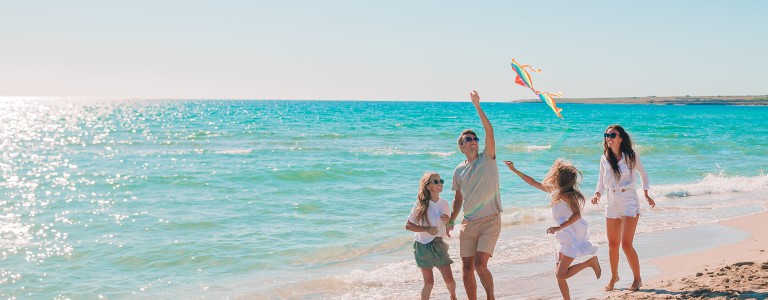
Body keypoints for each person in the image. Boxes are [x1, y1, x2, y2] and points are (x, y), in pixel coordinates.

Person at [504, 159, 601, 300]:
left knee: (560, 274)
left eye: (556, 176)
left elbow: (577, 215)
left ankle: (590, 262)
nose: (553, 177)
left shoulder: (568, 195)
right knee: (560, 275)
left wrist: (559, 227)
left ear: (561, 179)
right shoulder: (554, 191)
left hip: (570, 236)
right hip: (562, 235)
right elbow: (532, 182)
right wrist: (514, 170)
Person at [447, 90, 502, 300]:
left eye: (474, 139)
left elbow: (490, 133)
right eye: (468, 139)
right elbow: (458, 198)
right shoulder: (458, 170)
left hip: (490, 221)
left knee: (480, 265)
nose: (473, 141)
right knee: (467, 268)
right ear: (461, 146)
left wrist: (477, 106)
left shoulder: (487, 158)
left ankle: (491, 298)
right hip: (468, 223)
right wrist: (452, 220)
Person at [590, 124, 656, 291]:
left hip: (629, 200)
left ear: (620, 138)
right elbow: (600, 180)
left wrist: (646, 194)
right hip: (611, 201)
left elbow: (643, 174)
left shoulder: (630, 156)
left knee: (626, 244)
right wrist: (597, 193)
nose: (609, 138)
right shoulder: (604, 157)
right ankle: (614, 277)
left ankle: (637, 279)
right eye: (606, 135)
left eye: (612, 135)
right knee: (612, 244)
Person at [406, 172, 457, 300]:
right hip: (422, 246)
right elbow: (408, 226)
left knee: (450, 280)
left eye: (441, 181)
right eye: (436, 182)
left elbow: (449, 226)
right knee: (429, 283)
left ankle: (453, 296)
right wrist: (426, 229)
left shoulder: (444, 203)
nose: (440, 184)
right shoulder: (420, 204)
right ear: (428, 186)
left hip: (439, 244)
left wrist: (448, 221)